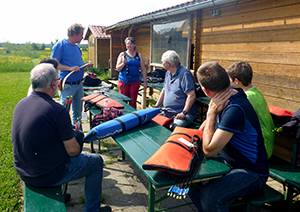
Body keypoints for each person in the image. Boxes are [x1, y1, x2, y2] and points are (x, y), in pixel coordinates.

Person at [11, 64, 111, 212]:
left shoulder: (21, 104)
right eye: (57, 80)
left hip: (24, 171)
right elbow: (73, 151)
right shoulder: (57, 110)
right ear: (53, 84)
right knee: (96, 162)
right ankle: (93, 210)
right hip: (45, 176)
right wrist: (78, 139)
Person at [188, 62, 269, 212]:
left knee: (210, 196)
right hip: (230, 161)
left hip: (252, 171)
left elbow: (209, 151)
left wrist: (211, 113)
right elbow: (203, 129)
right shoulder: (225, 96)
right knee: (188, 175)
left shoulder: (235, 108)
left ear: (205, 90)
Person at [226, 62, 275, 159]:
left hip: (260, 149)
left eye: (229, 80)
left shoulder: (247, 97)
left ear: (236, 81)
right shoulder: (255, 92)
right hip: (265, 143)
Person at [51, 23, 93, 125]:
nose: (82, 38)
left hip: (79, 85)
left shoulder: (77, 48)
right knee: (64, 112)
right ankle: (64, 135)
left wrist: (84, 65)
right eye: (81, 35)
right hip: (67, 86)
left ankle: (77, 134)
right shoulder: (60, 45)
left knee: (78, 113)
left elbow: (77, 64)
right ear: (74, 34)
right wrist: (70, 68)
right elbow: (54, 65)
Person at [155, 50, 197, 129]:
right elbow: (164, 90)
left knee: (175, 126)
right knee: (153, 122)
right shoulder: (168, 73)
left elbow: (191, 95)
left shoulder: (185, 74)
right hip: (167, 111)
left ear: (168, 63)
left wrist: (184, 113)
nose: (162, 64)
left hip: (183, 114)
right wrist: (156, 106)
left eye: (162, 62)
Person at [115, 37, 147, 109]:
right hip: (124, 81)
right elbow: (117, 68)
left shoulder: (139, 56)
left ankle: (132, 118)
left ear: (135, 45)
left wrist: (145, 81)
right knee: (123, 101)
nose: (129, 46)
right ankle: (123, 117)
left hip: (135, 81)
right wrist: (123, 63)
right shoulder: (122, 55)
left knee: (133, 101)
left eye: (131, 44)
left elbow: (143, 69)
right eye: (127, 44)